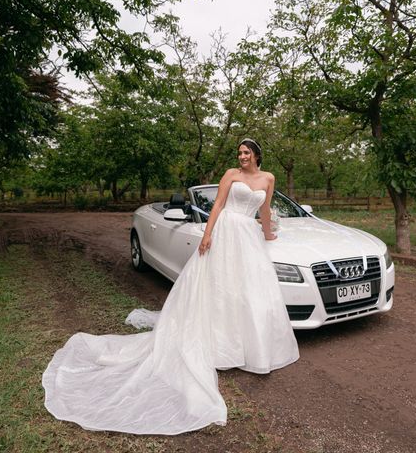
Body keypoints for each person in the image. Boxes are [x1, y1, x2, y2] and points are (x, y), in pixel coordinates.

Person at [42, 138, 299, 435]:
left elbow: (263, 211)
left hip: (248, 238)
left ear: (256, 155)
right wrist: (207, 235)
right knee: (217, 288)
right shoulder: (230, 174)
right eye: (239, 152)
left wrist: (268, 235)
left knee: (245, 292)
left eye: (246, 152)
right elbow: (217, 205)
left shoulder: (268, 178)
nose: (241, 156)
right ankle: (216, 345)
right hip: (226, 231)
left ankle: (246, 347)